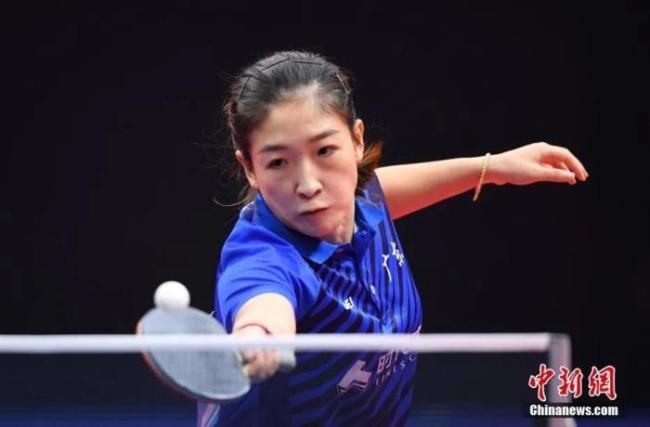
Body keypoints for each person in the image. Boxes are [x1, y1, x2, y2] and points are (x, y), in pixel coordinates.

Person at [197, 50, 588, 426]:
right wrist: (260, 337)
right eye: (278, 162)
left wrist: (493, 167)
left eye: (325, 150)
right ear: (249, 168)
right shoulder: (262, 257)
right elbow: (262, 305)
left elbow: (378, 191)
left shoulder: (357, 202)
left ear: (356, 140)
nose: (309, 184)